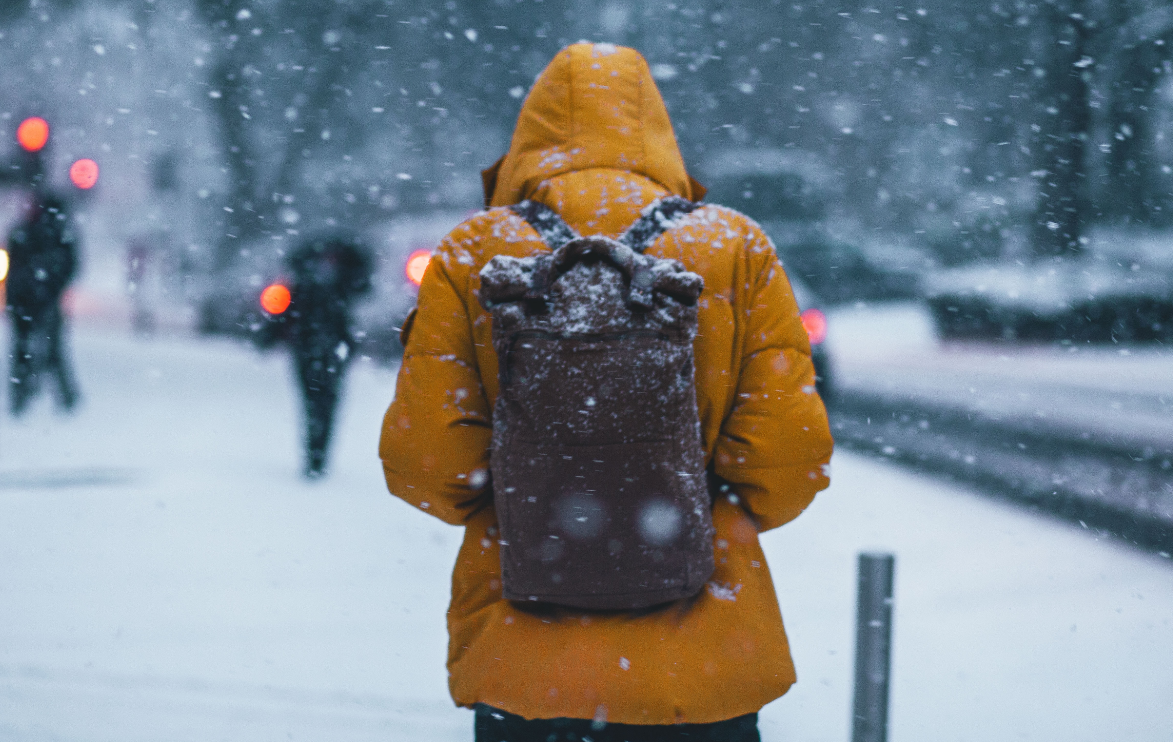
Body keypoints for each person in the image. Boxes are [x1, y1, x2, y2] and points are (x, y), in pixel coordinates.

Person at [379, 42, 834, 741]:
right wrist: (684, 511)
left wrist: (536, 501)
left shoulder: (473, 255)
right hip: (702, 674)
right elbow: (788, 461)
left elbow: (426, 466)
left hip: (524, 671)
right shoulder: (735, 248)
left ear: (528, 138)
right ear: (657, 132)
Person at [261, 236, 371, 478]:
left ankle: (317, 455)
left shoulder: (333, 280)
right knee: (316, 402)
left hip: (322, 348)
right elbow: (284, 309)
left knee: (322, 403)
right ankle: (315, 455)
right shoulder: (316, 281)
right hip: (316, 347)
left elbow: (283, 310)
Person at [5, 191, 80, 414]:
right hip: (31, 300)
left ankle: (25, 395)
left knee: (39, 349)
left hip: (34, 300)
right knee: (42, 349)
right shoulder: (52, 234)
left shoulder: (33, 232)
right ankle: (36, 395)